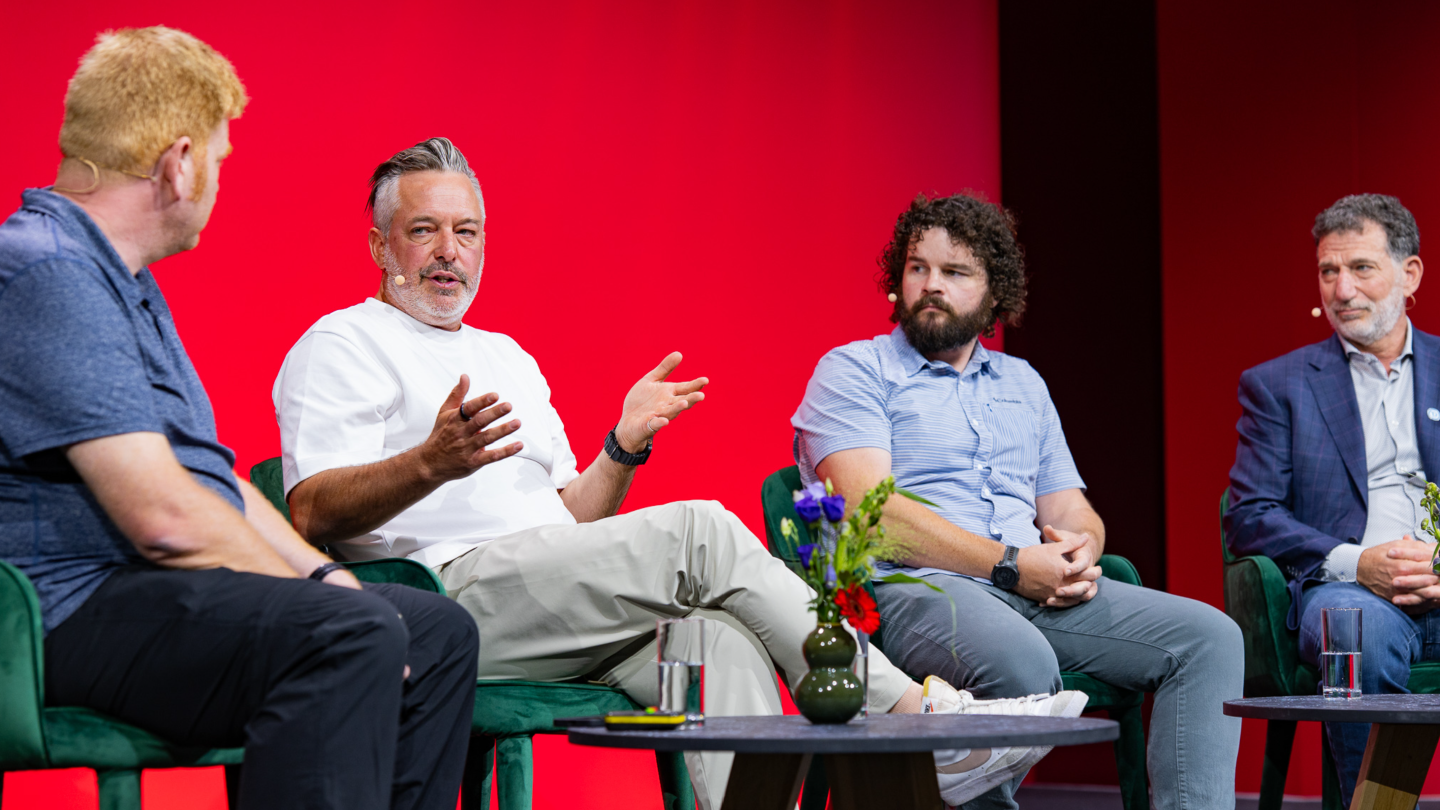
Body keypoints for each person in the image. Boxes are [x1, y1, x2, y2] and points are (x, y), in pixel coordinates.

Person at [273, 137, 1086, 809]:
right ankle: (920, 720)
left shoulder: (505, 355)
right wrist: (429, 461)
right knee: (699, 530)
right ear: (381, 246)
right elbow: (309, 512)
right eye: (425, 230)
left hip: (548, 596)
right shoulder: (342, 343)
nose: (450, 252)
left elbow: (572, 521)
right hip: (443, 600)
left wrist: (622, 447)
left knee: (720, 638)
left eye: (469, 231)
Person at [0, 28, 479, 810]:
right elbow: (163, 515)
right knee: (349, 634)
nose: (219, 181)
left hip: (145, 595)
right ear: (178, 162)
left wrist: (327, 575)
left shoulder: (124, 283)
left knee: (434, 633)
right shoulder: (47, 271)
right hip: (60, 613)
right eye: (219, 161)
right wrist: (335, 603)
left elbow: (211, 478)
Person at [793, 193, 1244, 810]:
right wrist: (1009, 563)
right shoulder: (854, 371)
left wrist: (1081, 551)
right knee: (1020, 664)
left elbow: (1069, 509)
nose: (931, 285)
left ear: (993, 293)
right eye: (918, 267)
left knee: (1210, 638)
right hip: (911, 589)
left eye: (955, 273)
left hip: (1028, 584)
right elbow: (874, 518)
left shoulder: (1022, 383)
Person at [1227, 193, 1435, 803]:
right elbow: (1250, 517)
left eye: (1361, 268)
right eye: (1328, 271)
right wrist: (1357, 562)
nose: (1341, 290)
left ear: (1410, 273)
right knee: (1357, 633)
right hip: (1351, 593)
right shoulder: (1279, 385)